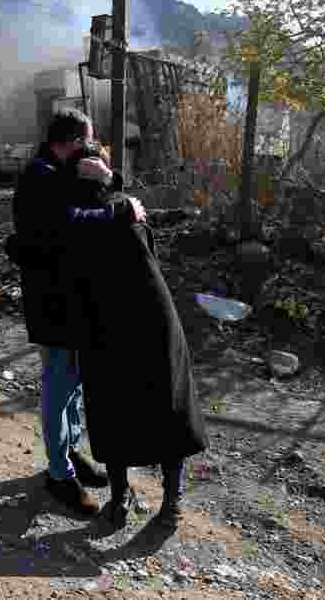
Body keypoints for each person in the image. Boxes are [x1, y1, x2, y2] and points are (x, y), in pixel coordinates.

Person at [11, 108, 146, 515]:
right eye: (86, 142)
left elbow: (101, 187)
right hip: (52, 300)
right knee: (58, 385)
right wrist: (121, 212)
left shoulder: (61, 170)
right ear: (67, 143)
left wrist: (109, 182)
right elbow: (70, 223)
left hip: (71, 298)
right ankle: (58, 474)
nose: (90, 148)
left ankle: (68, 452)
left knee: (71, 385)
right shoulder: (42, 176)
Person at [72, 182, 208, 532]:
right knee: (168, 408)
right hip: (154, 321)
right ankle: (171, 502)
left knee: (111, 409)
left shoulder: (83, 226)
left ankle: (119, 499)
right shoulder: (132, 220)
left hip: (107, 326)